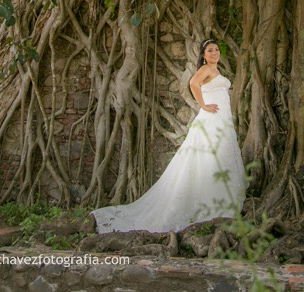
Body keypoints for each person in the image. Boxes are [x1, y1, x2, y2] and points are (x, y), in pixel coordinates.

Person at [92, 39, 246, 233]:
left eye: (216, 49)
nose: (215, 53)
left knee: (219, 159)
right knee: (209, 158)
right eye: (210, 50)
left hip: (222, 120)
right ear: (203, 55)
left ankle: (220, 204)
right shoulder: (205, 69)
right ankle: (210, 207)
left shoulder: (216, 71)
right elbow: (193, 83)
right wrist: (204, 105)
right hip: (211, 120)